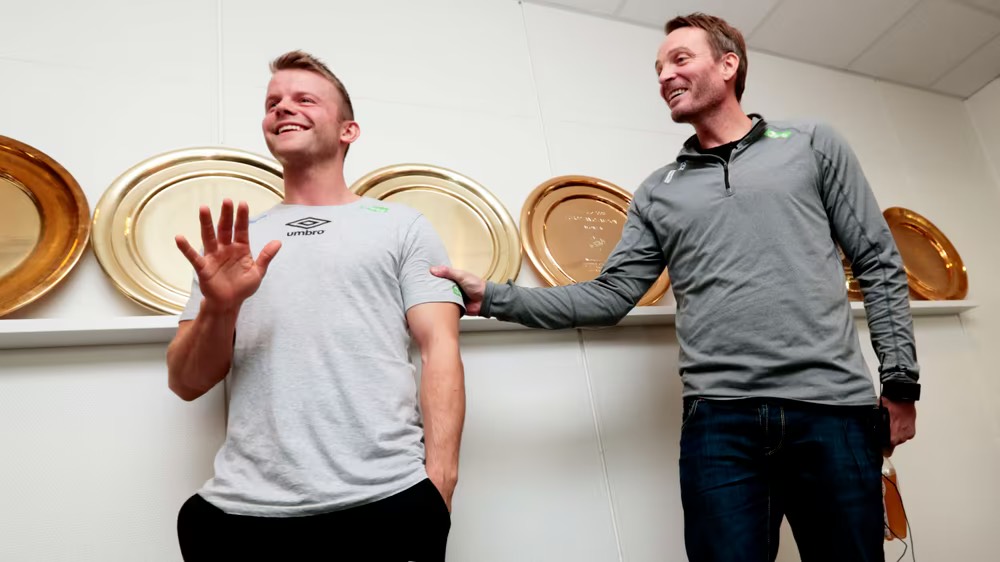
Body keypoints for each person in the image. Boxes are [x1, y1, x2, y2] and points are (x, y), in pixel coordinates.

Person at [432, 13, 919, 562]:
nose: (664, 75)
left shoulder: (810, 143)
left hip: (832, 411)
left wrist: (900, 382)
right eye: (659, 68)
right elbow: (609, 296)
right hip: (720, 425)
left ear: (729, 65)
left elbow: (877, 260)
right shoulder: (656, 192)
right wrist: (492, 297)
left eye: (679, 59)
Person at [168, 50, 465, 561]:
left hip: (388, 500)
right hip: (240, 517)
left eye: (304, 99)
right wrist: (220, 307)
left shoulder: (403, 225)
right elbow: (186, 383)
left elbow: (440, 347)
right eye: (273, 103)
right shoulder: (234, 244)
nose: (283, 108)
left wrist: (439, 483)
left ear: (349, 130)